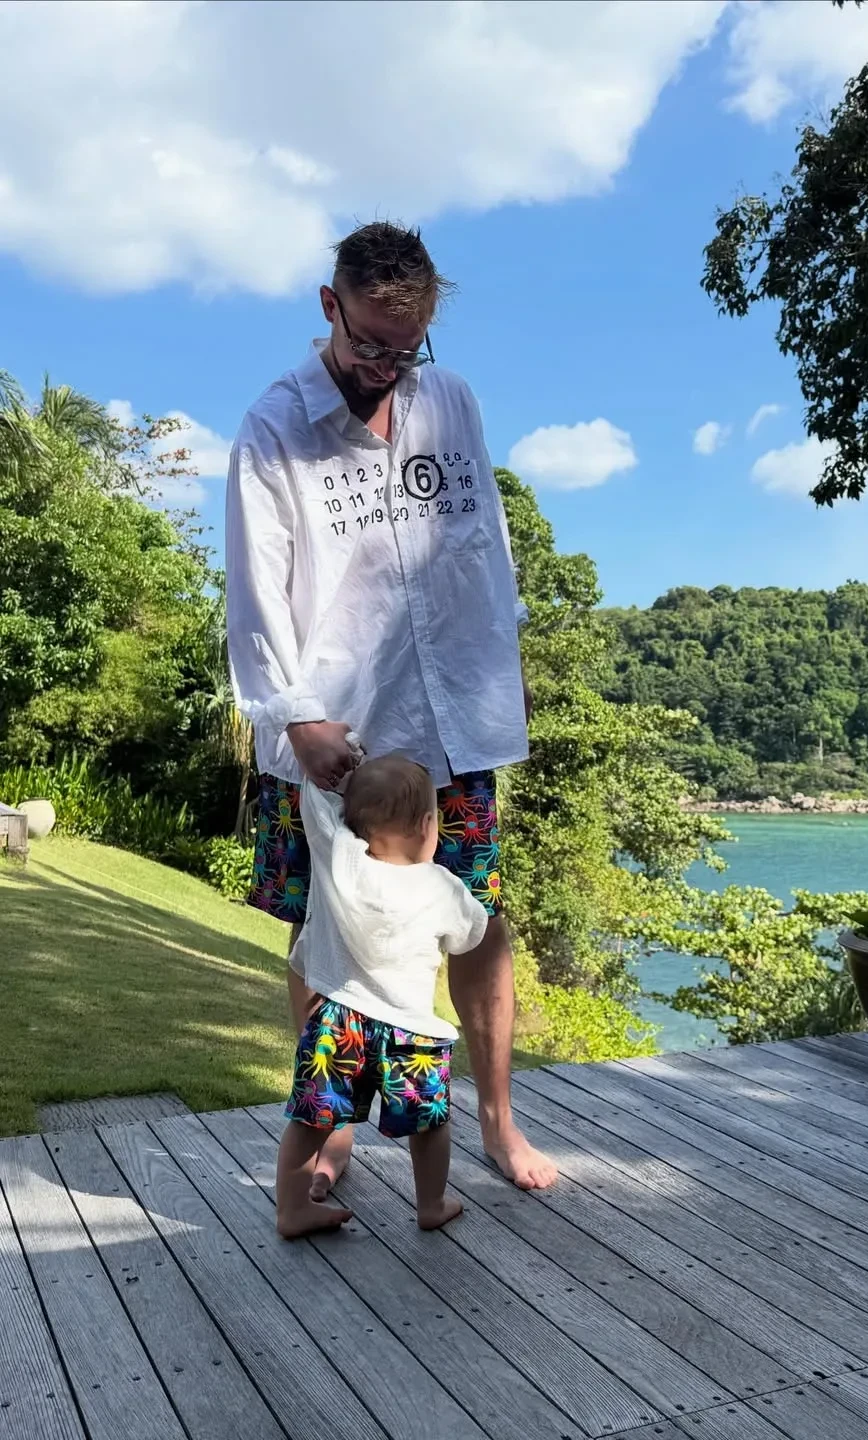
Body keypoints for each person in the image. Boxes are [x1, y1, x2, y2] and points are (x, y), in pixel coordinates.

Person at [226, 219, 556, 1190]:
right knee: (325, 930)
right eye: (371, 344)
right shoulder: (274, 428)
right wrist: (295, 713)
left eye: (406, 349)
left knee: (478, 915)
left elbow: (483, 535)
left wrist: (506, 647)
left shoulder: (449, 399)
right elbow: (255, 585)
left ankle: (497, 1121)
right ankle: (327, 1133)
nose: (387, 367)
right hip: (339, 726)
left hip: (454, 712)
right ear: (330, 306)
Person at [276, 754, 486, 1238]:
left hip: (337, 1021)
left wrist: (342, 763)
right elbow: (469, 935)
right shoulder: (442, 887)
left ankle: (292, 1209)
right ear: (428, 826)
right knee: (429, 1122)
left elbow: (316, 806)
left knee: (311, 1118)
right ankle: (431, 1203)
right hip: (412, 1031)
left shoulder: (342, 862)